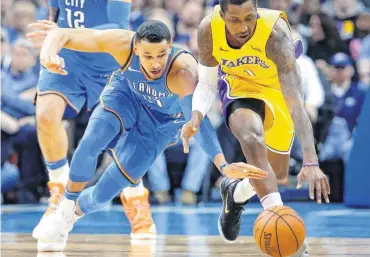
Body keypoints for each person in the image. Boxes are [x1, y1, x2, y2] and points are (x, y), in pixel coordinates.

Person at [28, 20, 268, 252]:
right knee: (91, 141)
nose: (156, 63)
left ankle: (72, 217)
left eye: (162, 54)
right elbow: (62, 34)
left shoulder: (183, 72)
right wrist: (48, 54)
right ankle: (64, 209)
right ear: (136, 49)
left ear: (170, 46)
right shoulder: (121, 43)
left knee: (102, 196)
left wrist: (223, 165)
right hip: (126, 97)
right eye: (148, 56)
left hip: (160, 126)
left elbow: (200, 124)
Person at [180, 0, 331, 255]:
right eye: (235, 20)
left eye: (250, 18)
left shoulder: (276, 35)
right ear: (222, 13)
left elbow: (296, 105)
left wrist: (310, 160)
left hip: (278, 92)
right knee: (251, 136)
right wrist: (197, 115)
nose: (243, 27)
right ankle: (288, 238)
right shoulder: (209, 28)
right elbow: (206, 83)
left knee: (276, 176)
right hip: (239, 87)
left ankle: (235, 192)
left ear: (257, 11)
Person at [30, 0, 159, 242]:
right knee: (46, 115)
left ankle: (136, 197)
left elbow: (119, 28)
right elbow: (56, 14)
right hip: (68, 58)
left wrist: (65, 34)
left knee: (120, 140)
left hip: (108, 59)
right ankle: (58, 190)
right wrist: (51, 39)